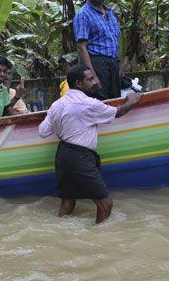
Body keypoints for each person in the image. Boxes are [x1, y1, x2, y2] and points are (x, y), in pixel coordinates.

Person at [38, 64, 142, 223]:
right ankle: (98, 238)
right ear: (79, 83)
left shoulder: (56, 105)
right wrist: (132, 101)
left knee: (68, 201)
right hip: (80, 157)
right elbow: (117, 113)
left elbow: (43, 131)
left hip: (62, 155)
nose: (96, 82)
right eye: (90, 79)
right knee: (105, 203)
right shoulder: (89, 103)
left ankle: (62, 234)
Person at [74, 0, 122, 100]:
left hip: (112, 65)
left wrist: (120, 67)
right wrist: (93, 76)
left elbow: (116, 41)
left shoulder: (110, 13)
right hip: (96, 64)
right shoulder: (83, 14)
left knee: (114, 103)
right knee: (100, 103)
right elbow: (82, 47)